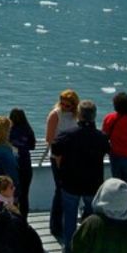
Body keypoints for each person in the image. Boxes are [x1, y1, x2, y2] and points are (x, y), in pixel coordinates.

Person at [51, 99, 111, 252]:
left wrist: (61, 168)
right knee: (91, 217)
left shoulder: (67, 135)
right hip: (93, 183)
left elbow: (56, 151)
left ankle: (70, 248)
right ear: (94, 116)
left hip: (70, 182)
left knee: (70, 216)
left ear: (79, 115)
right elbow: (108, 150)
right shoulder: (101, 137)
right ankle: (88, 245)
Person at [46, 89, 81, 237]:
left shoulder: (77, 115)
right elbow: (50, 138)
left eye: (68, 105)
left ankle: (67, 220)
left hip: (73, 157)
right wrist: (59, 156)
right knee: (60, 190)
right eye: (62, 103)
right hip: (58, 157)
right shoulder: (55, 115)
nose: (64, 107)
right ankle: (55, 225)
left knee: (71, 189)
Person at [9, 108, 36, 220]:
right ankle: (23, 219)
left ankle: (13, 218)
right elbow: (32, 146)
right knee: (24, 195)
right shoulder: (28, 130)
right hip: (25, 164)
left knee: (11, 194)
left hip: (12, 166)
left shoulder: (8, 130)